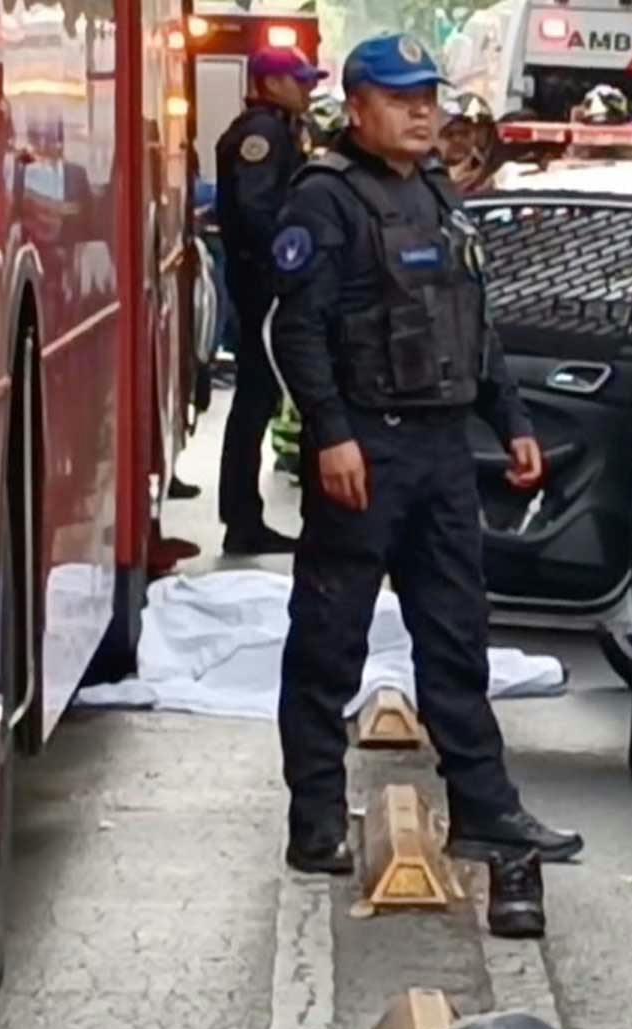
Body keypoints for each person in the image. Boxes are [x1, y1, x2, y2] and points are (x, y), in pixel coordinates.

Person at [267, 31, 583, 874]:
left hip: (443, 452)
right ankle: (316, 821)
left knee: (456, 638)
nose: (421, 113)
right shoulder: (326, 198)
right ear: (358, 105)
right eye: (402, 99)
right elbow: (297, 331)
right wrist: (329, 433)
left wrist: (511, 419)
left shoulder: (440, 193)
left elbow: (471, 324)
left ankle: (484, 810)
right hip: (367, 449)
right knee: (330, 640)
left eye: (428, 99)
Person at [214, 45, 326, 555]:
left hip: (261, 286)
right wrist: (290, 267)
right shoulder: (262, 134)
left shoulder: (278, 128)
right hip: (264, 289)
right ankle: (242, 520)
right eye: (299, 80)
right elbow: (259, 212)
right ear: (269, 82)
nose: (308, 88)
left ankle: (243, 516)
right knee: (257, 401)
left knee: (258, 401)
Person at [439, 90, 496, 191]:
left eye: (464, 133)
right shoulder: (423, 171)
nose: (457, 139)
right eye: (450, 134)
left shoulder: (484, 170)